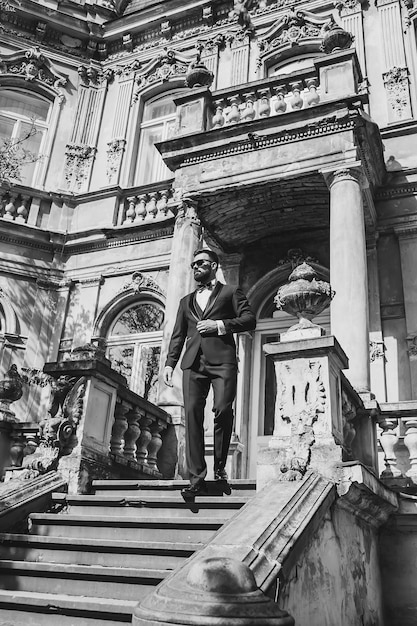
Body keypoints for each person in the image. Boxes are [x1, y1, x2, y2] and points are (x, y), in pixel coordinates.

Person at [163, 249, 256, 499]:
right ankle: (196, 479)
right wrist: (170, 363)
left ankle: (220, 467)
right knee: (192, 416)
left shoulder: (230, 292)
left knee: (223, 411)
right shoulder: (185, 301)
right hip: (192, 363)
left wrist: (220, 326)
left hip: (223, 361)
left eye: (201, 263)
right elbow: (178, 335)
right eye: (193, 264)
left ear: (213, 265)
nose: (196, 267)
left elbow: (249, 320)